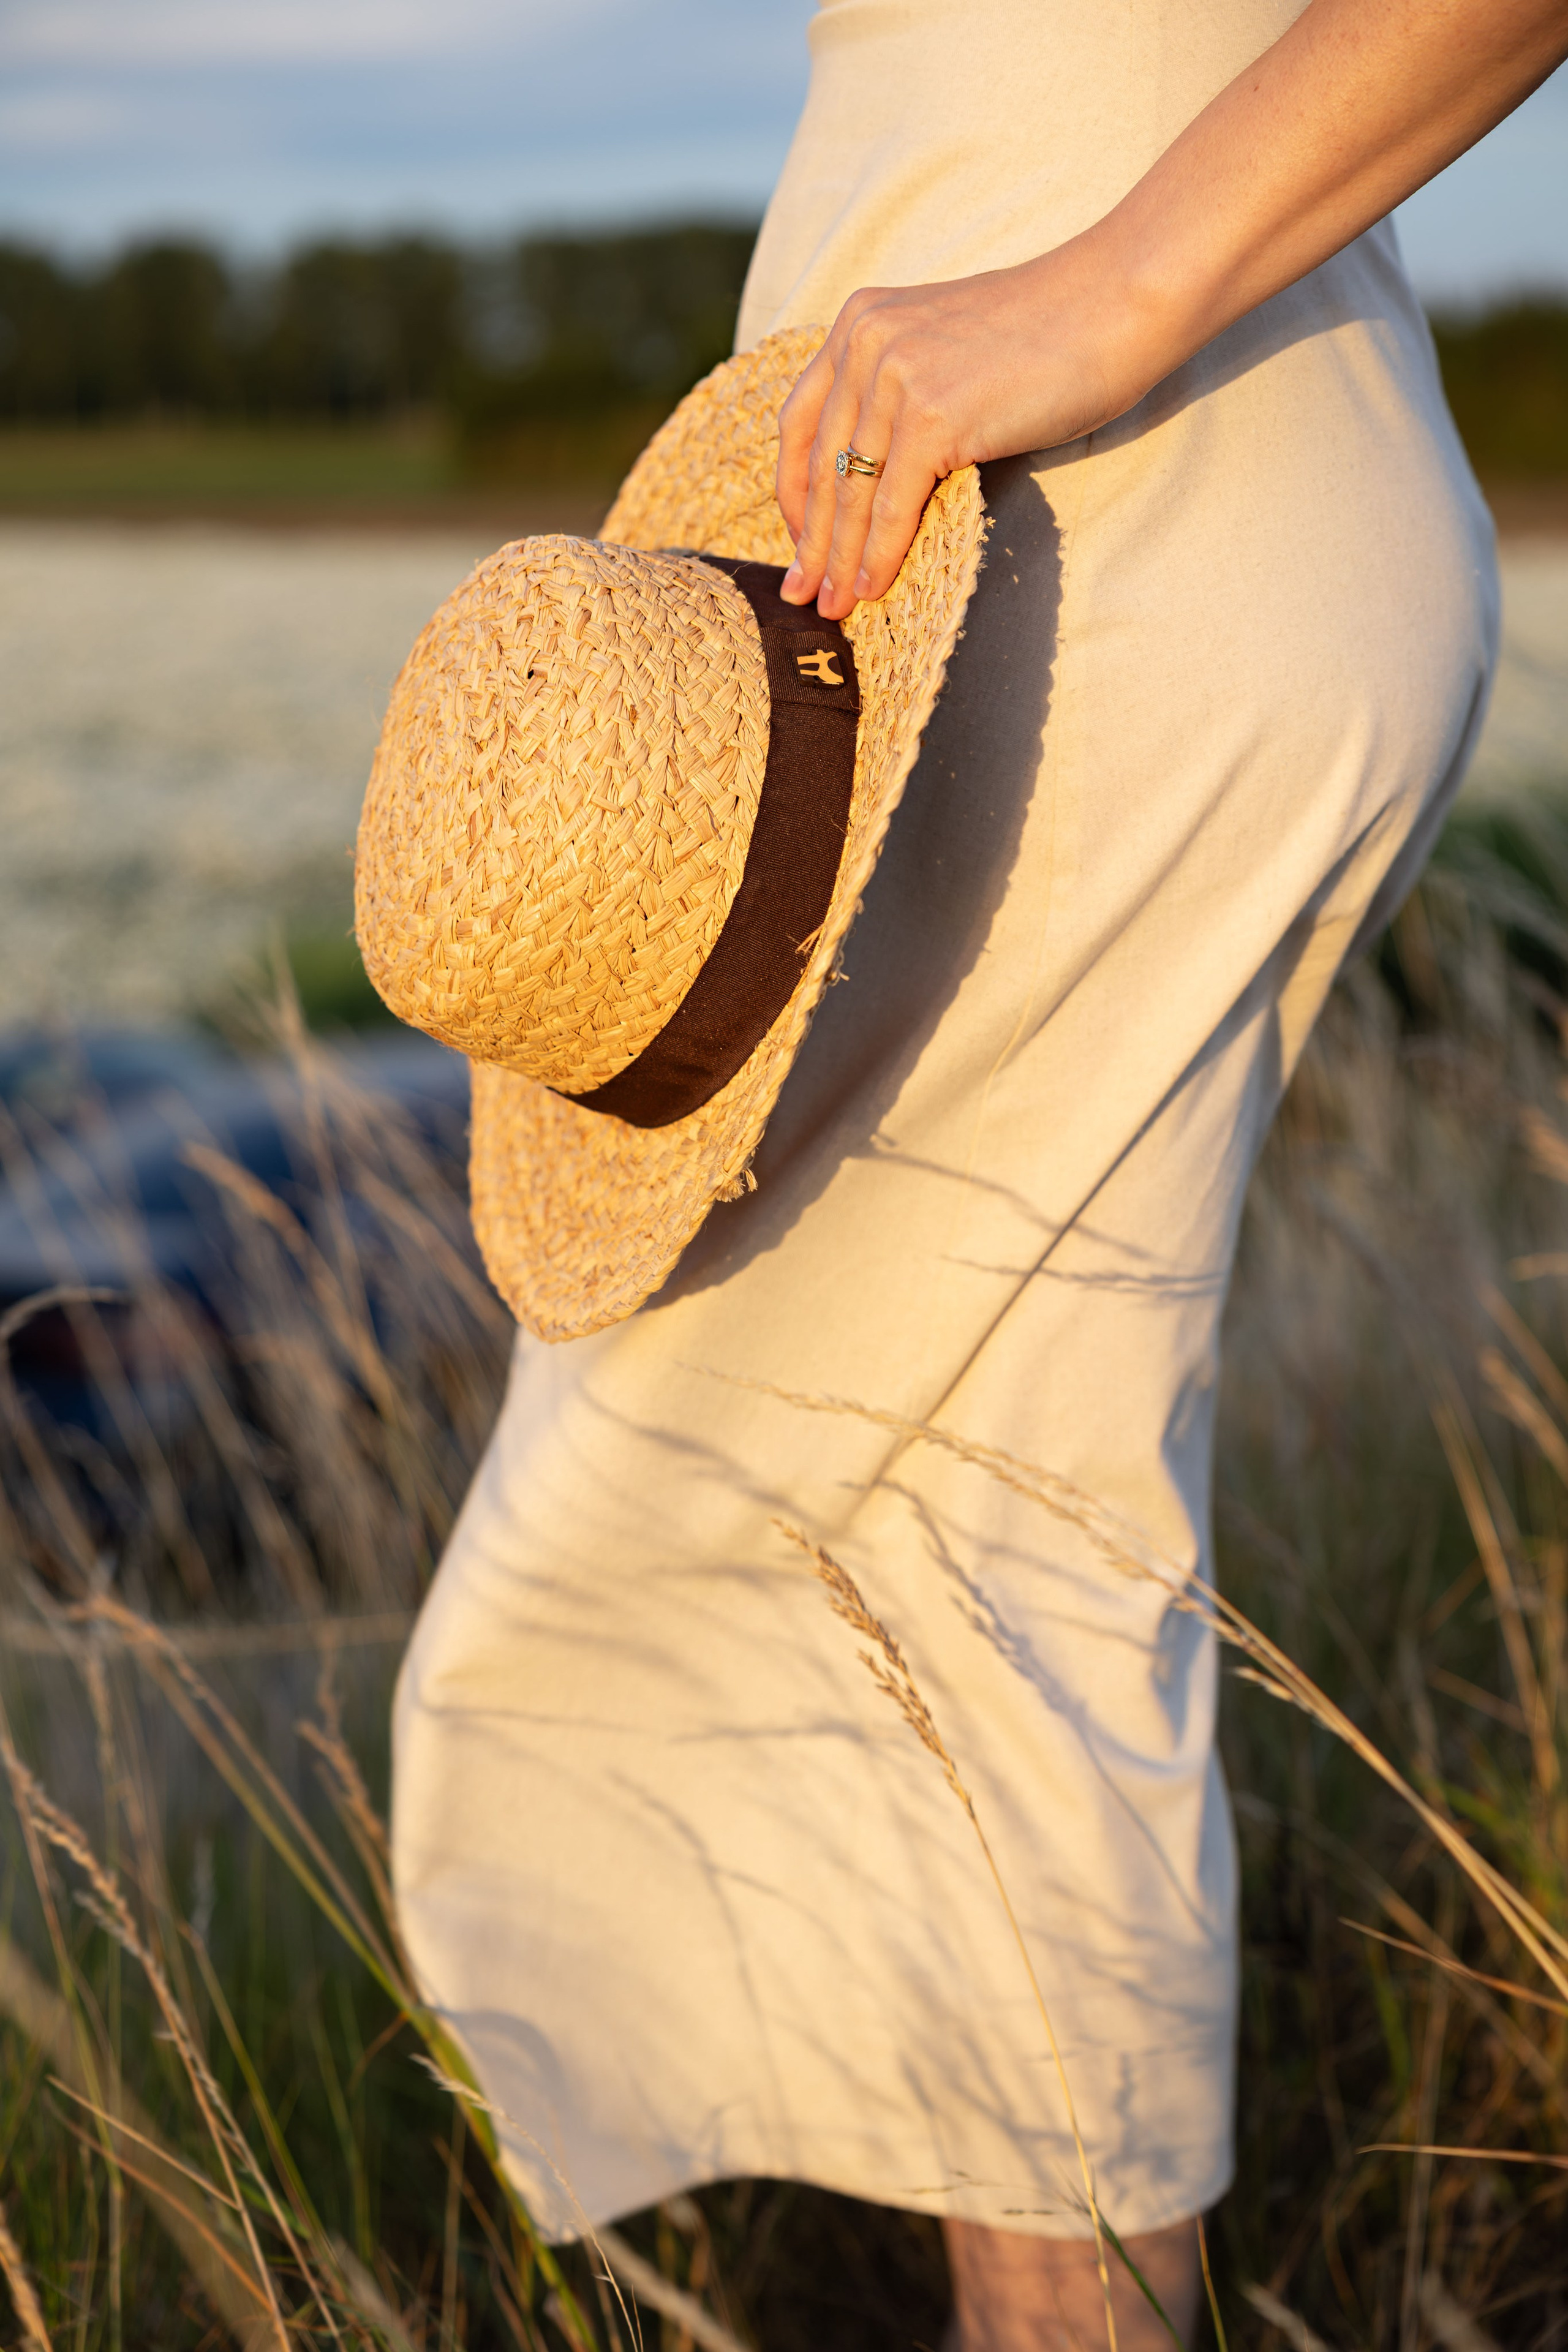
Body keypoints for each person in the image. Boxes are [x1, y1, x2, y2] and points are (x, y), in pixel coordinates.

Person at [390, 5, 1568, 2345]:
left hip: (1113, 500)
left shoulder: (1107, 342)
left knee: (987, 1564)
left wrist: (1116, 286)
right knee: (935, 1544)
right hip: (1025, 488)